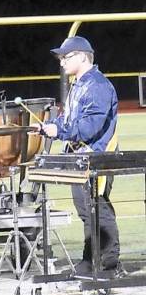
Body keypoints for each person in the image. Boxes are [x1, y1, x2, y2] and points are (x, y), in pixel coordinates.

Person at [32, 36, 124, 277]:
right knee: (86, 211)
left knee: (98, 208)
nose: (61, 61)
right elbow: (69, 120)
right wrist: (49, 126)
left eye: (66, 56)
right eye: (61, 57)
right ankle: (90, 259)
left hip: (97, 157)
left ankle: (109, 264)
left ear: (83, 56)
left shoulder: (98, 85)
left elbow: (91, 125)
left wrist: (59, 130)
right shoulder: (79, 84)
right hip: (80, 158)